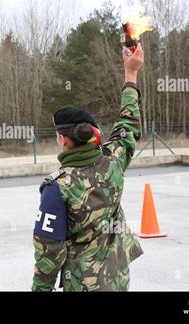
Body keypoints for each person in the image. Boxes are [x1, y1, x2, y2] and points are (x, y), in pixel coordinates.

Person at [32, 44, 145, 291]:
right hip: (118, 280)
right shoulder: (113, 162)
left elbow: (49, 252)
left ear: (63, 139)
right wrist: (131, 74)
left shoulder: (56, 187)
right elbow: (128, 125)